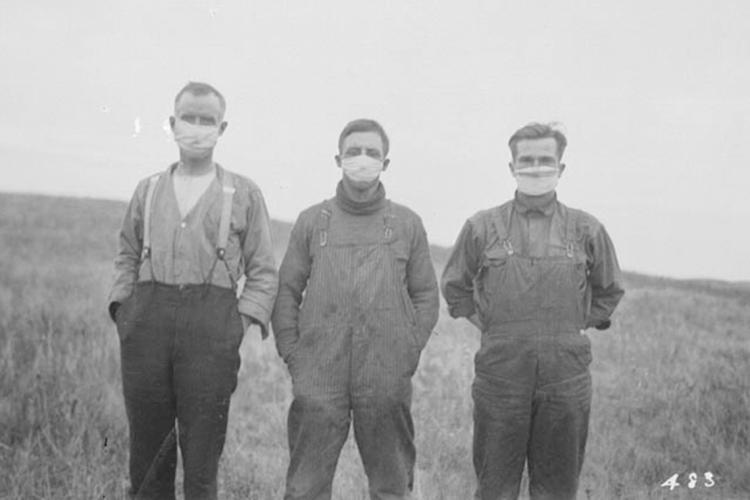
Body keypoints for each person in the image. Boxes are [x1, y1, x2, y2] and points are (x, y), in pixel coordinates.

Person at [107, 81, 278, 500]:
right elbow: (127, 253)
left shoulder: (243, 193)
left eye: (207, 120)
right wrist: (123, 312)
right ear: (172, 123)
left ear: (222, 128)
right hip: (147, 323)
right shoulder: (148, 189)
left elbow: (262, 271)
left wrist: (236, 324)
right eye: (189, 118)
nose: (197, 127)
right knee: (147, 457)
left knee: (202, 458)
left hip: (212, 328)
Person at [441, 122, 625, 500]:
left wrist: (573, 325)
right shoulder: (481, 226)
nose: (536, 168)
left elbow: (609, 291)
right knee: (495, 488)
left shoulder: (588, 229)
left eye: (546, 160)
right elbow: (456, 289)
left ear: (561, 168)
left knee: (557, 490)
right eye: (527, 160)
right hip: (500, 377)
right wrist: (491, 326)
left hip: (566, 378)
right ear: (511, 167)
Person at [271, 118, 440, 500]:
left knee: (391, 487)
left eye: (372, 153)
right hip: (319, 374)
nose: (362, 159)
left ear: (386, 162)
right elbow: (286, 293)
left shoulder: (407, 224)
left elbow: (427, 295)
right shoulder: (313, 221)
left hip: (384, 374)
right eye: (353, 152)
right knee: (305, 489)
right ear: (338, 158)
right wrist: (294, 357)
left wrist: (407, 352)